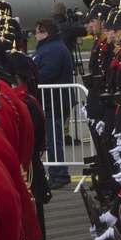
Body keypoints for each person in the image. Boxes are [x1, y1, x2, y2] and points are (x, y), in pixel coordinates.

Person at [33, 18, 74, 188]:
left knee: (53, 139)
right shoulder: (52, 47)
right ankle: (58, 173)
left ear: (45, 33)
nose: (35, 35)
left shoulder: (52, 50)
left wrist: (31, 77)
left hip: (54, 101)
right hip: (53, 100)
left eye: (37, 32)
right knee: (53, 138)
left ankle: (58, 174)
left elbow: (47, 73)